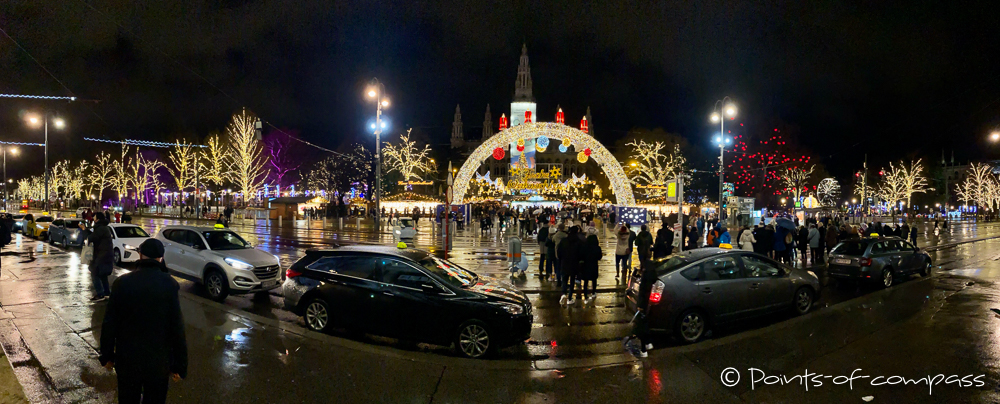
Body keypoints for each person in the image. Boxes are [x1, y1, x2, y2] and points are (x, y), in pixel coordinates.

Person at [99, 239, 188, 404]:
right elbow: (176, 326)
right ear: (161, 258)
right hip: (158, 362)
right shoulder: (169, 284)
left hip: (128, 360)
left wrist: (107, 355)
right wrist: (180, 365)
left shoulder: (122, 283)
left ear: (140, 255)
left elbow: (110, 322)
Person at [624, 257, 659, 358]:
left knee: (641, 327)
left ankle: (644, 349)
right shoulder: (652, 277)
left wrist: (640, 306)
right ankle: (648, 344)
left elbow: (642, 294)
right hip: (649, 305)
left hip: (643, 305)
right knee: (645, 325)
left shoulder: (645, 278)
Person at [88, 212, 115, 302]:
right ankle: (107, 293)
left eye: (94, 217)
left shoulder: (101, 228)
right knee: (103, 275)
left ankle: (100, 294)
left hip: (101, 256)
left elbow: (91, 238)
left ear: (98, 219)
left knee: (94, 273)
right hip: (105, 255)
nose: (93, 218)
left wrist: (84, 230)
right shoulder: (103, 228)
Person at [557, 226, 584, 306]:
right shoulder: (578, 242)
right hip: (574, 264)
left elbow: (559, 253)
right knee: (572, 281)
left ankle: (563, 293)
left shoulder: (564, 241)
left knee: (564, 280)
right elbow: (581, 254)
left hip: (565, 263)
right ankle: (569, 297)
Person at [580, 232, 602, 304]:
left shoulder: (584, 247)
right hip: (594, 265)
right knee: (594, 280)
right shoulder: (597, 248)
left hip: (586, 265)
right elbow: (599, 257)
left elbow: (581, 256)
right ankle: (593, 292)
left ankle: (585, 294)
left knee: (586, 281)